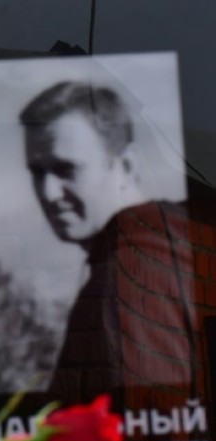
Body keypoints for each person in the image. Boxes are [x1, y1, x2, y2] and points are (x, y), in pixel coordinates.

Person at [19, 80, 203, 408]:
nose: (48, 193)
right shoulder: (130, 256)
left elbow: (154, 425)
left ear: (126, 166)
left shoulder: (138, 267)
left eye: (66, 169)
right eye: (37, 172)